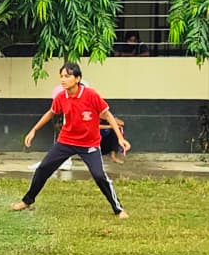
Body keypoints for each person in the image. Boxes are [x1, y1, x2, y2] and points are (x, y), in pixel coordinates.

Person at [14, 62, 131, 218]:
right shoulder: (61, 97)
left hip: (89, 144)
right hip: (66, 141)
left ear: (77, 78)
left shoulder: (91, 95)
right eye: (61, 76)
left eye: (67, 76)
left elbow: (108, 115)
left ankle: (118, 209)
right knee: (43, 169)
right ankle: (27, 201)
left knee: (99, 176)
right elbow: (51, 112)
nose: (63, 80)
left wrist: (120, 138)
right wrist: (34, 130)